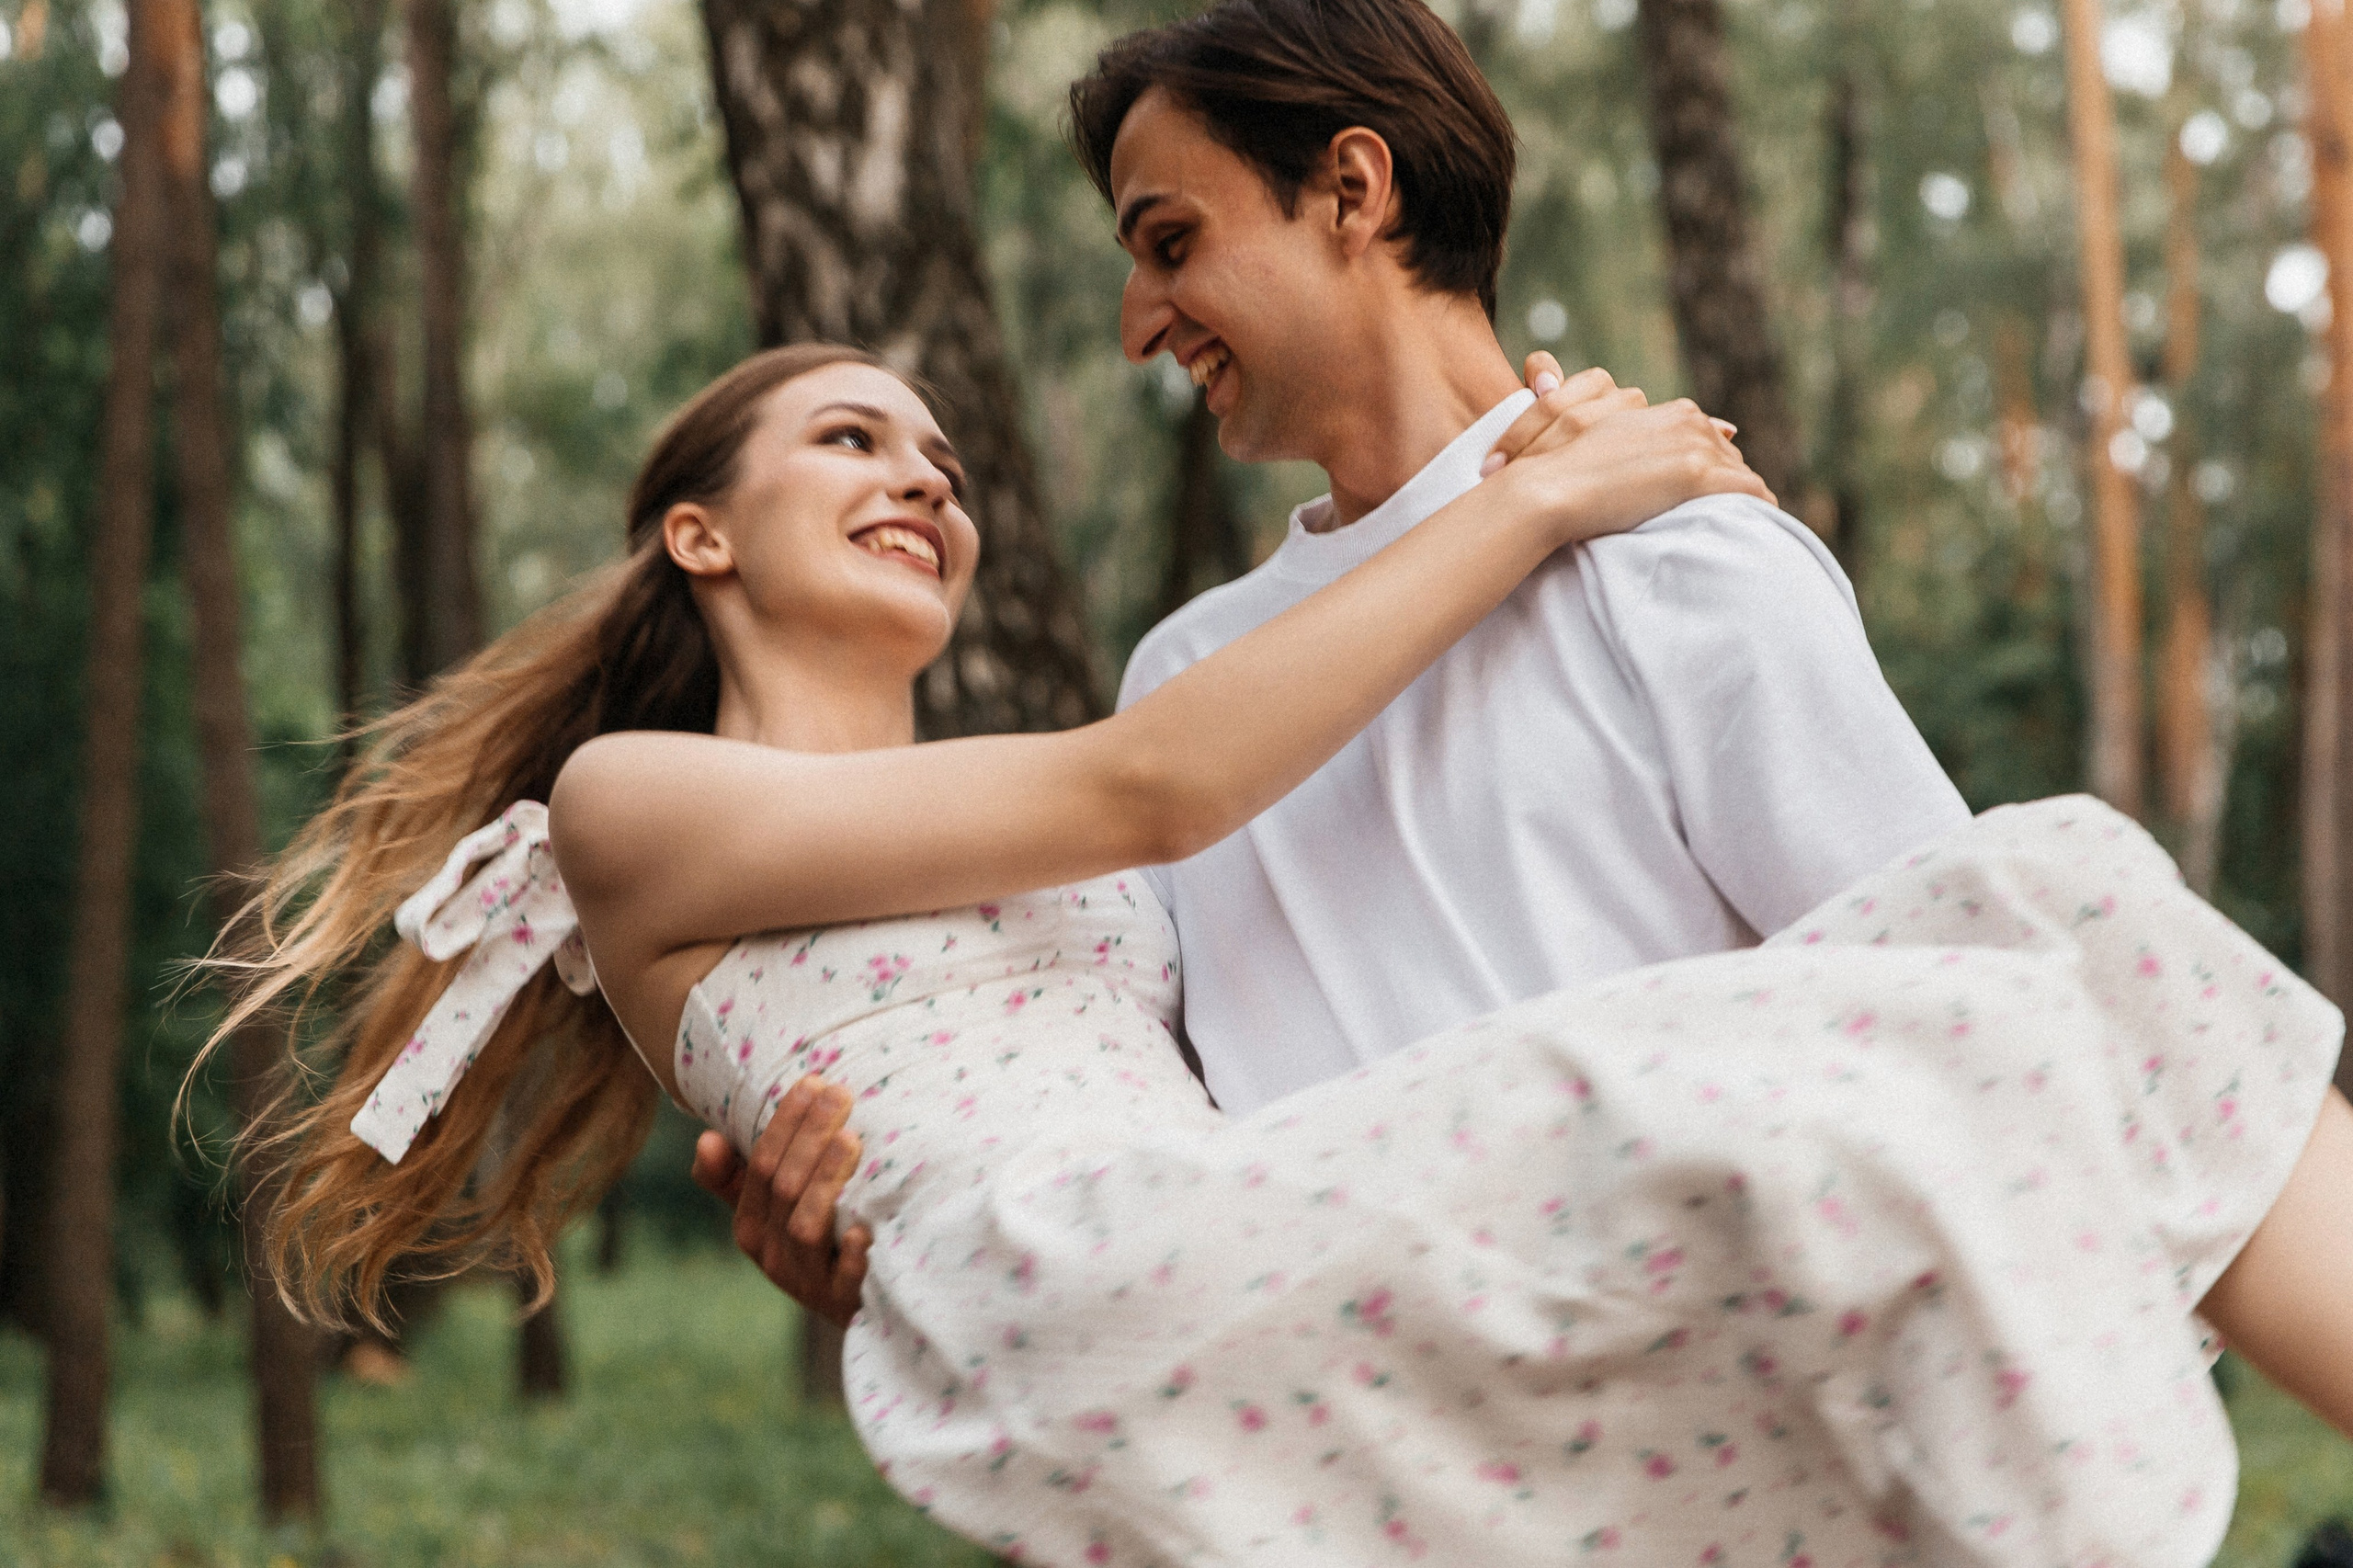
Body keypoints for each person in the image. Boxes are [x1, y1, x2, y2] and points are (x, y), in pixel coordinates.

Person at [219, 345, 2353, 1567]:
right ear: (699, 535)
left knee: (2058, 900)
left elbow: (1185, 976)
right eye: (850, 440)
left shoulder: (1016, 809)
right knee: (1897, 1078)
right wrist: (1531, 494)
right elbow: (1159, 784)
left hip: (1211, 1227)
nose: (921, 476)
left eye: (940, 459)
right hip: (1091, 1279)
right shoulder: (630, 804)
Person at [706, 0, 1977, 1329]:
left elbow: (1953, 1011)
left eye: (1173, 242)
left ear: (1352, 190)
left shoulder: (1681, 564)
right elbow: (1148, 1131)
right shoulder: (1184, 679)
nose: (1141, 321)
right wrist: (898, 1203)